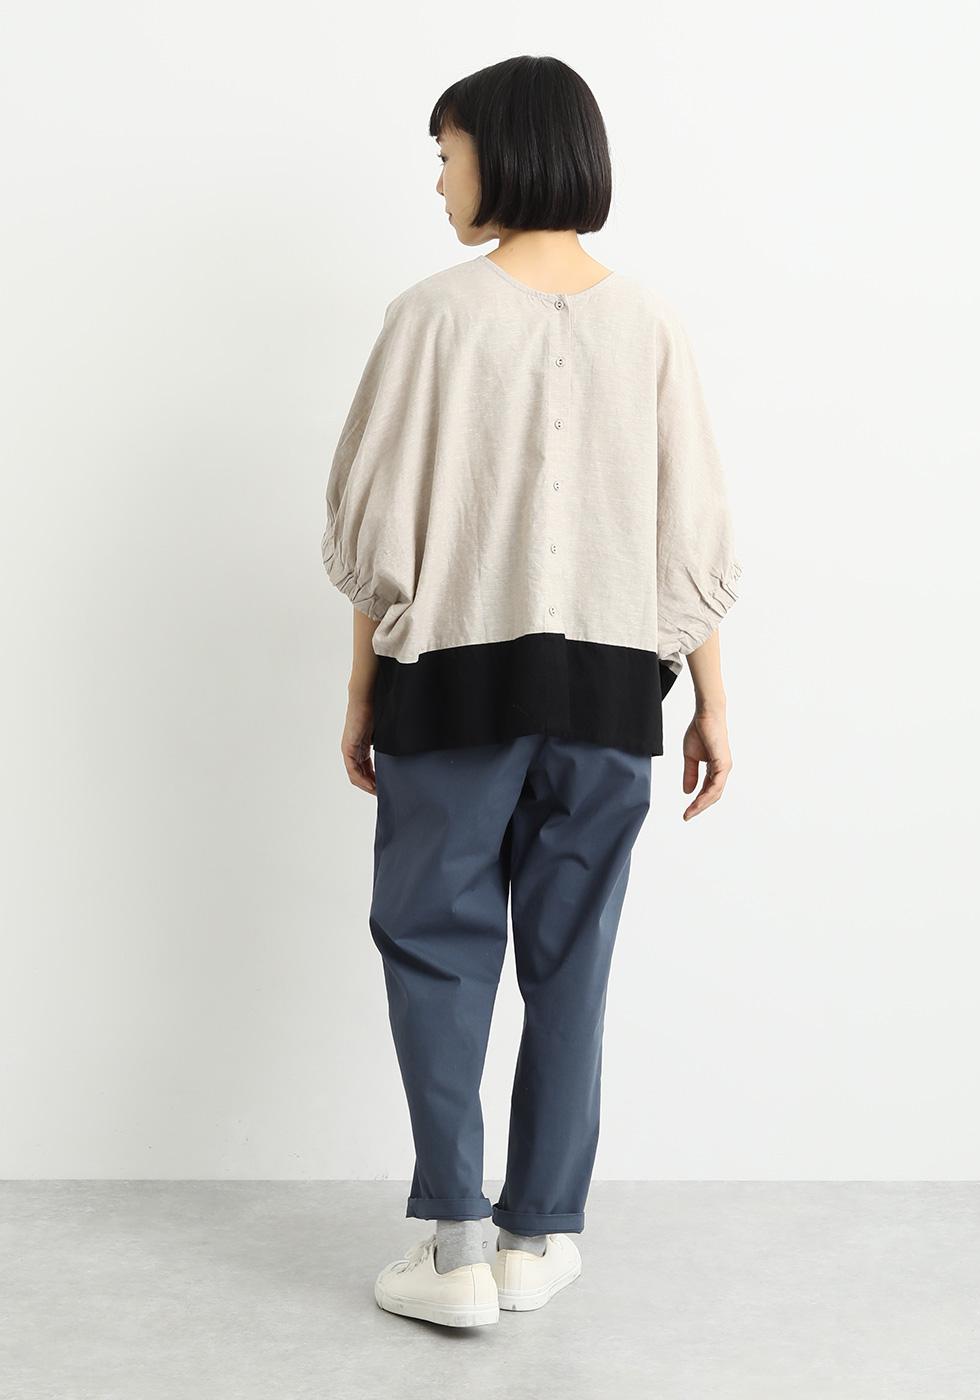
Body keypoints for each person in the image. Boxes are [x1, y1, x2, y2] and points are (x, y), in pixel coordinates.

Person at [320, 55, 742, 1329]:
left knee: (434, 946)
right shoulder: (652, 322)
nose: (439, 181)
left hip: (450, 681)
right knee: (573, 961)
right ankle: (538, 1236)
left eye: (445, 155)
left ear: (500, 155)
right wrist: (712, 699)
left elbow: (379, 529)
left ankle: (452, 1244)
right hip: (612, 692)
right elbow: (689, 530)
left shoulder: (431, 316)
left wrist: (361, 690)